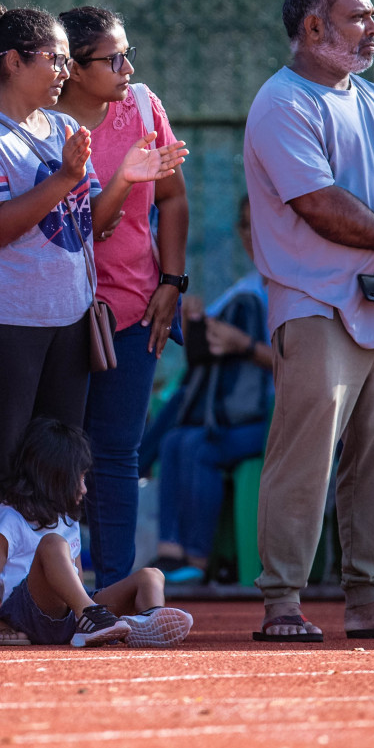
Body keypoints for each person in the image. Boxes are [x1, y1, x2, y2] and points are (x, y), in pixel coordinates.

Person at [0, 2, 183, 637]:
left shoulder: (55, 129)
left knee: (57, 464)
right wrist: (69, 178)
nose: (60, 70)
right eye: (50, 58)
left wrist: (125, 180)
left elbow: (89, 225)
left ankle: (49, 603)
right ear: (13, 62)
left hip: (66, 321)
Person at [243, 0, 374, 643]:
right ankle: (283, 601)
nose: (373, 29)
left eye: (369, 16)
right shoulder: (281, 102)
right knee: (304, 458)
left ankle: (370, 598)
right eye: (357, 16)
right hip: (316, 303)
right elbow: (320, 206)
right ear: (312, 28)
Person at [56, 6, 189, 589]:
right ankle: (55, 593)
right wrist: (121, 182)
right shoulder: (38, 122)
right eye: (113, 59)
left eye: (126, 53)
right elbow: (79, 226)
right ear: (74, 69)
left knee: (116, 455)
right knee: (52, 455)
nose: (128, 68)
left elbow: (174, 201)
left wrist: (171, 284)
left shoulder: (142, 106)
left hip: (136, 308)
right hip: (57, 312)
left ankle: (113, 590)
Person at [0, 417, 192, 648]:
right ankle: (92, 617)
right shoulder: (10, 518)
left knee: (152, 575)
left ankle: (150, 623)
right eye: (81, 478)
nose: (85, 489)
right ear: (55, 478)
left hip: (73, 614)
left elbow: (76, 579)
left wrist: (86, 605)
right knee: (53, 543)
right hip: (27, 614)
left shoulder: (67, 518)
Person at [147, 197, 274, 583]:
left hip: (281, 419)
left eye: (265, 223)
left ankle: (198, 563)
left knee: (199, 446)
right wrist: (195, 323)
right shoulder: (247, 288)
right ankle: (172, 553)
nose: (256, 236)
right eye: (248, 226)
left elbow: (306, 370)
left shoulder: (298, 287)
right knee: (175, 442)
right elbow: (204, 356)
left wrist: (246, 347)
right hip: (240, 414)